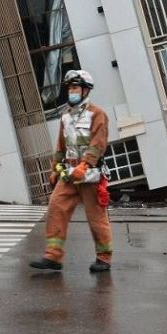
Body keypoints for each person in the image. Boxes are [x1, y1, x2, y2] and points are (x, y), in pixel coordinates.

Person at [30, 70, 114, 273]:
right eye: (70, 88)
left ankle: (103, 257)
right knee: (55, 209)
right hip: (68, 173)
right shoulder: (65, 116)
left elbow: (97, 144)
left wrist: (84, 165)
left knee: (96, 217)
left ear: (85, 90)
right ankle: (53, 257)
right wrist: (54, 169)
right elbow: (60, 145)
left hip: (90, 174)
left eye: (75, 87)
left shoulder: (97, 114)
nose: (71, 91)